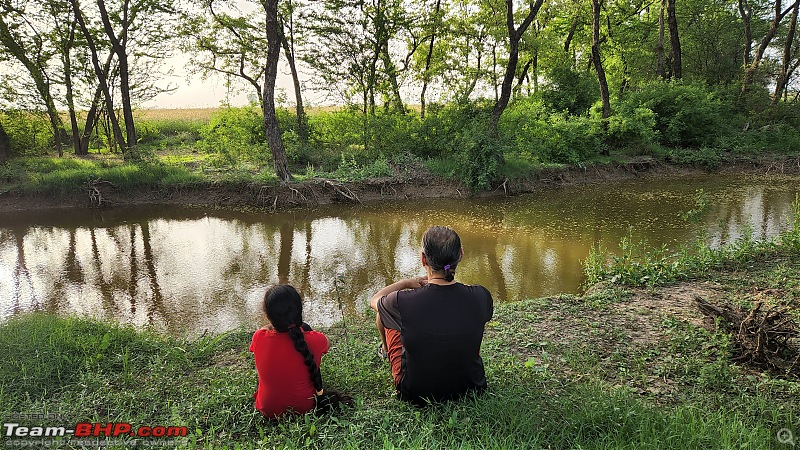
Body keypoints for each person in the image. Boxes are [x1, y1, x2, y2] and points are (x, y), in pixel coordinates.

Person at [369, 225, 494, 405]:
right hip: (470, 387)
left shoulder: (401, 301)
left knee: (384, 314)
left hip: (415, 393)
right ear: (461, 254)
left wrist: (405, 283)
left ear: (423, 259)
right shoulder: (481, 296)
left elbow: (375, 300)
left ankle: (385, 350)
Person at [250, 284, 352, 418]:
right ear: (300, 311)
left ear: (268, 317)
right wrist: (303, 329)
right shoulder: (316, 340)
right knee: (307, 344)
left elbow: (266, 329)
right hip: (305, 408)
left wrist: (276, 323)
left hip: (268, 409)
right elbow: (328, 343)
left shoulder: (259, 337)